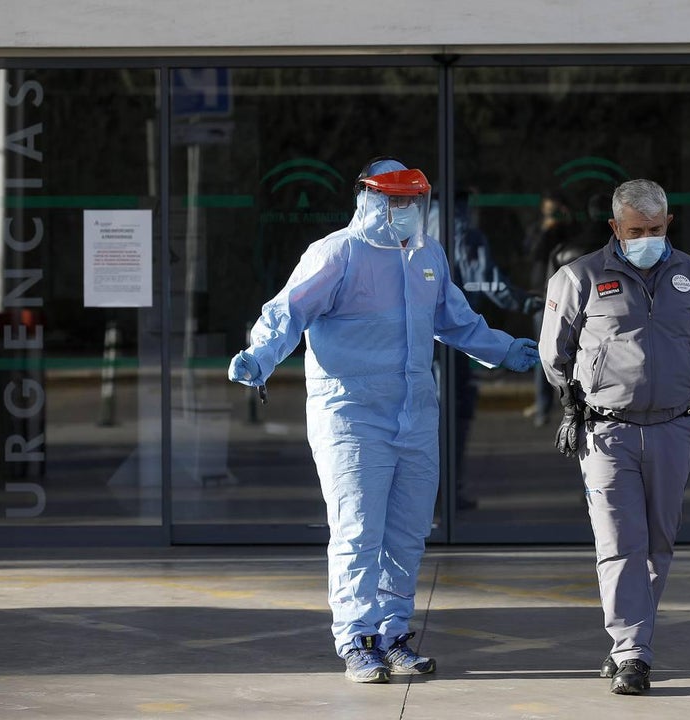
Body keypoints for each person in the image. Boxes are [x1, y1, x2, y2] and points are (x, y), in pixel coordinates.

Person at [227, 157, 539, 684]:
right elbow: (288, 313)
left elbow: (455, 321)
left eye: (412, 201)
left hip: (415, 413)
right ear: (367, 199)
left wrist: (505, 349)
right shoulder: (336, 254)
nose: (405, 210)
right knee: (357, 531)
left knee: (407, 533)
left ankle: (394, 634)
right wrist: (259, 356)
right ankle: (356, 639)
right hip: (351, 415)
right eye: (394, 200)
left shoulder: (427, 255)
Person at [538, 179, 690, 695]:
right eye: (637, 230)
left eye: (657, 229)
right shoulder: (579, 276)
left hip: (673, 429)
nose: (648, 238)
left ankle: (632, 638)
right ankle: (632, 651)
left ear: (669, 224)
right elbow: (554, 354)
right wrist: (585, 395)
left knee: (658, 544)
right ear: (615, 228)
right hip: (607, 430)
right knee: (619, 544)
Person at [440, 191, 543, 509]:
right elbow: (486, 280)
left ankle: (427, 493)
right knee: (454, 413)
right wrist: (526, 302)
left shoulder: (412, 233)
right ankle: (447, 492)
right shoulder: (461, 233)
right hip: (454, 341)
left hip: (418, 343)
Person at [521, 190, 576, 427]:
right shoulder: (538, 229)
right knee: (544, 354)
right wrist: (546, 229)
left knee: (571, 353)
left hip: (567, 296)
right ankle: (543, 406)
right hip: (542, 296)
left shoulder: (570, 230)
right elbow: (531, 253)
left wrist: (566, 224)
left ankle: (570, 404)